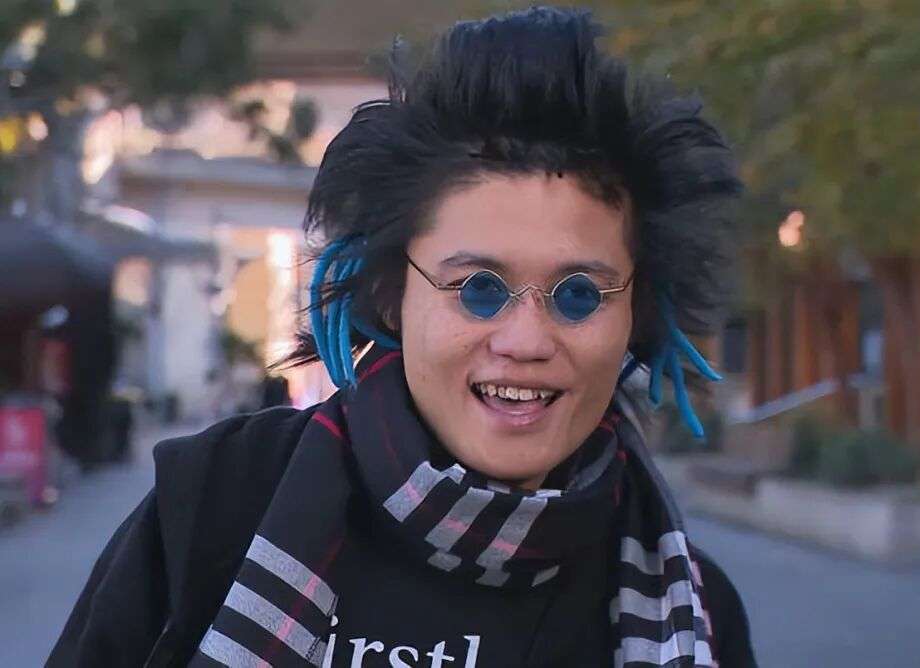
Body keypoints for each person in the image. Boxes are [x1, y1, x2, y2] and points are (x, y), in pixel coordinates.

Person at [49, 7, 755, 667]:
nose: (526, 341)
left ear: (638, 314)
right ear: (392, 295)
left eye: (579, 295)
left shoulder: (692, 611)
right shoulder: (216, 505)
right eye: (479, 288)